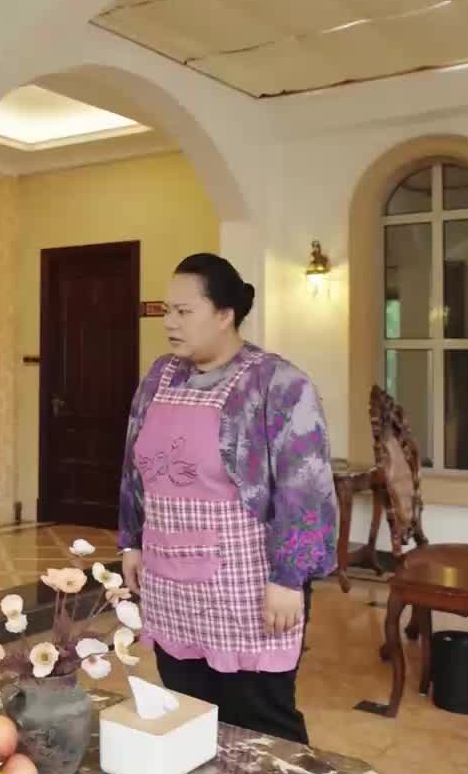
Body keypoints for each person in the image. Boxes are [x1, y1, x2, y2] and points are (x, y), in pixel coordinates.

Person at [118, 253, 337, 746]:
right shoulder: (160, 376)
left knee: (263, 723)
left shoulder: (278, 383)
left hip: (248, 588)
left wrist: (289, 578)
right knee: (187, 712)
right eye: (166, 311)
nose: (170, 322)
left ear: (224, 314)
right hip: (170, 581)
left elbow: (306, 488)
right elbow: (134, 464)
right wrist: (131, 540)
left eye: (184, 311)